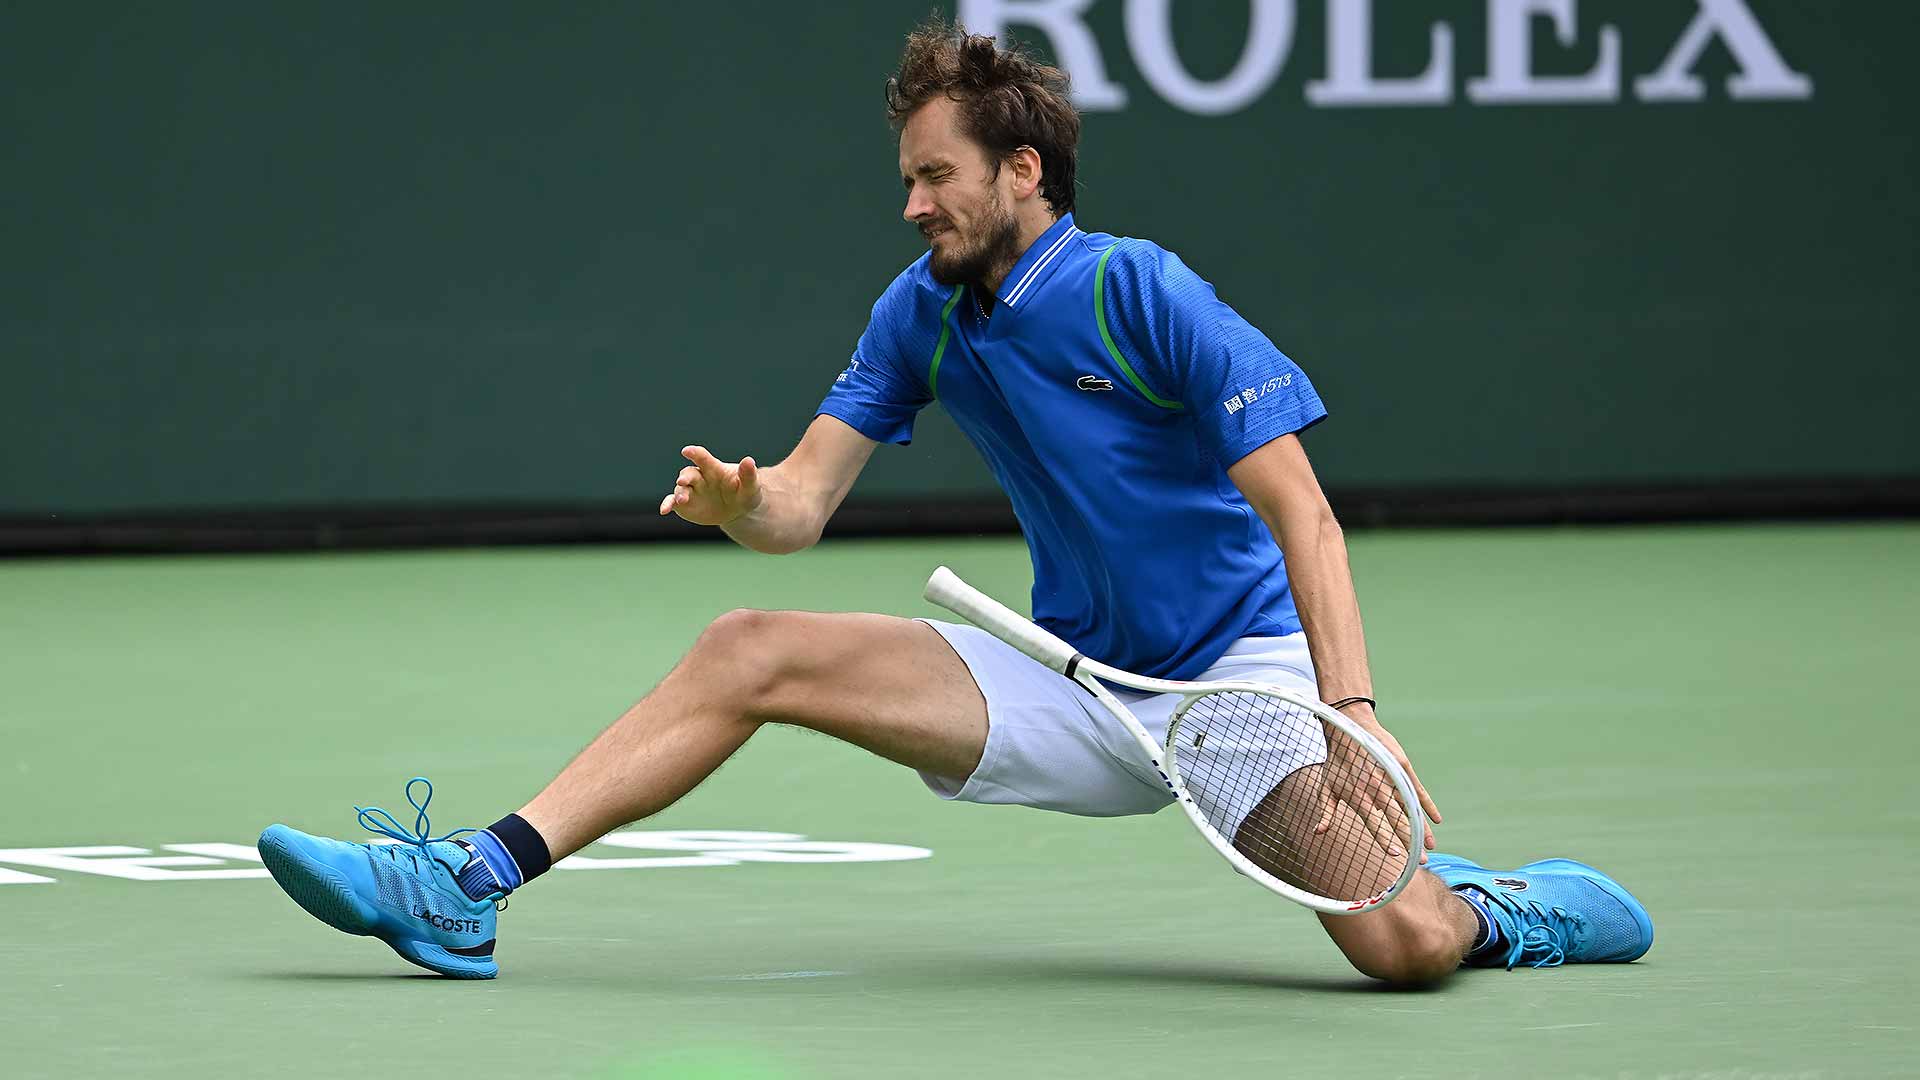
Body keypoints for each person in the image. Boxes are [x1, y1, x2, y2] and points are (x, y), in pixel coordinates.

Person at [258, 20, 1652, 983]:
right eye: (907, 177)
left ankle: (1492, 907)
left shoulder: (1137, 291)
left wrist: (1347, 717)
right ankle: (467, 888)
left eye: (935, 175)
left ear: (1021, 172)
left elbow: (1307, 516)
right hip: (1075, 679)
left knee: (1402, 951)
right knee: (754, 643)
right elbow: (804, 504)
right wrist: (749, 506)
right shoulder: (918, 315)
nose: (913, 203)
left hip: (1237, 687)